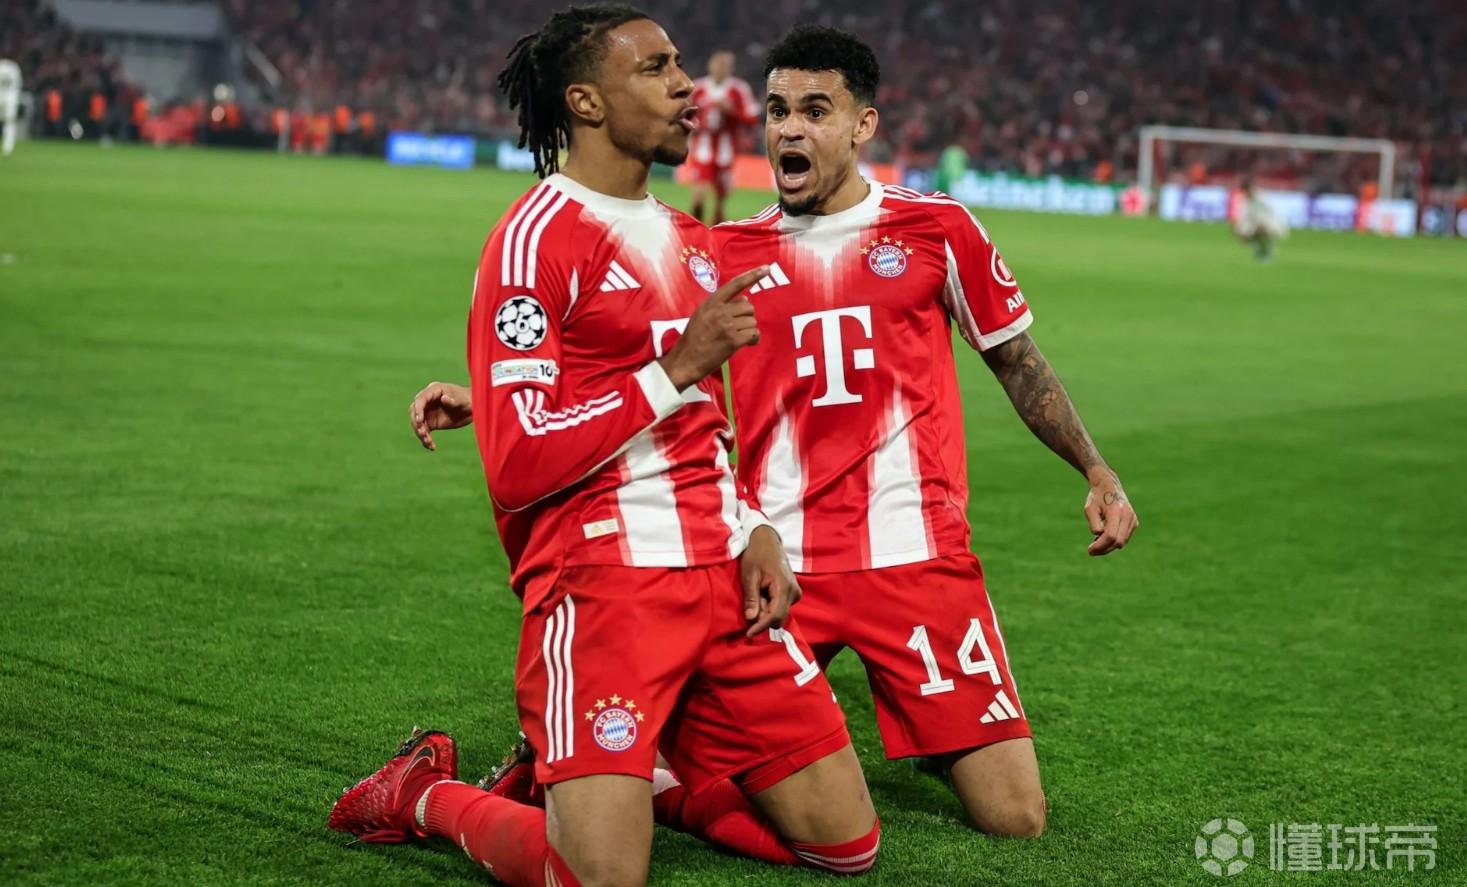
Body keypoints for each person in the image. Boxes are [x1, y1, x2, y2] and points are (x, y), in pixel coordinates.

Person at [411, 23, 1138, 842]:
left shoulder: (936, 229)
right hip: (775, 559)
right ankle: (565, 762)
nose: (789, 129)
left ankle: (928, 731)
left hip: (915, 553)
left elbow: (1016, 360)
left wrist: (1096, 469)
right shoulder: (721, 251)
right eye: (778, 110)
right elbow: (644, 345)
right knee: (675, 767)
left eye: (814, 112)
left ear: (860, 125)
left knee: (1014, 817)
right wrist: (487, 394)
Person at [330, 7, 880, 886]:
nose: (685, 85)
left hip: (720, 577)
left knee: (846, 846)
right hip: (602, 585)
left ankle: (639, 780)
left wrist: (754, 531)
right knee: (597, 879)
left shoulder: (689, 240)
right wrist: (675, 365)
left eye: (679, 64)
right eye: (655, 69)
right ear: (585, 102)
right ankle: (423, 793)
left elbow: (705, 424)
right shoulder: (534, 239)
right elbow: (517, 464)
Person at [687, 50, 756, 224]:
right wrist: (695, 125)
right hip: (702, 149)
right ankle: (695, 230)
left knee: (720, 201)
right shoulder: (698, 88)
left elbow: (752, 118)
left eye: (725, 66)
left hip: (726, 151)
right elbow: (685, 114)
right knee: (698, 197)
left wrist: (732, 111)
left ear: (730, 69)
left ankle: (715, 232)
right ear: (710, 66)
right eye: (718, 65)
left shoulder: (739, 89)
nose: (720, 69)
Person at [1234, 179, 1286, 262]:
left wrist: (1263, 224)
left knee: (1261, 231)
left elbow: (1272, 214)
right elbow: (1244, 217)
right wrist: (1239, 230)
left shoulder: (1263, 198)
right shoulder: (1245, 201)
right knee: (1244, 233)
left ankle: (1269, 250)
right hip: (1255, 225)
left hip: (1271, 224)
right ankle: (1259, 250)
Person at [0, 60, 21, 157]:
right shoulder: (14, 67)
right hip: (11, 98)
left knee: (9, 122)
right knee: (10, 123)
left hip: (4, 97)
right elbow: (18, 85)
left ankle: (7, 148)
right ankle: (8, 148)